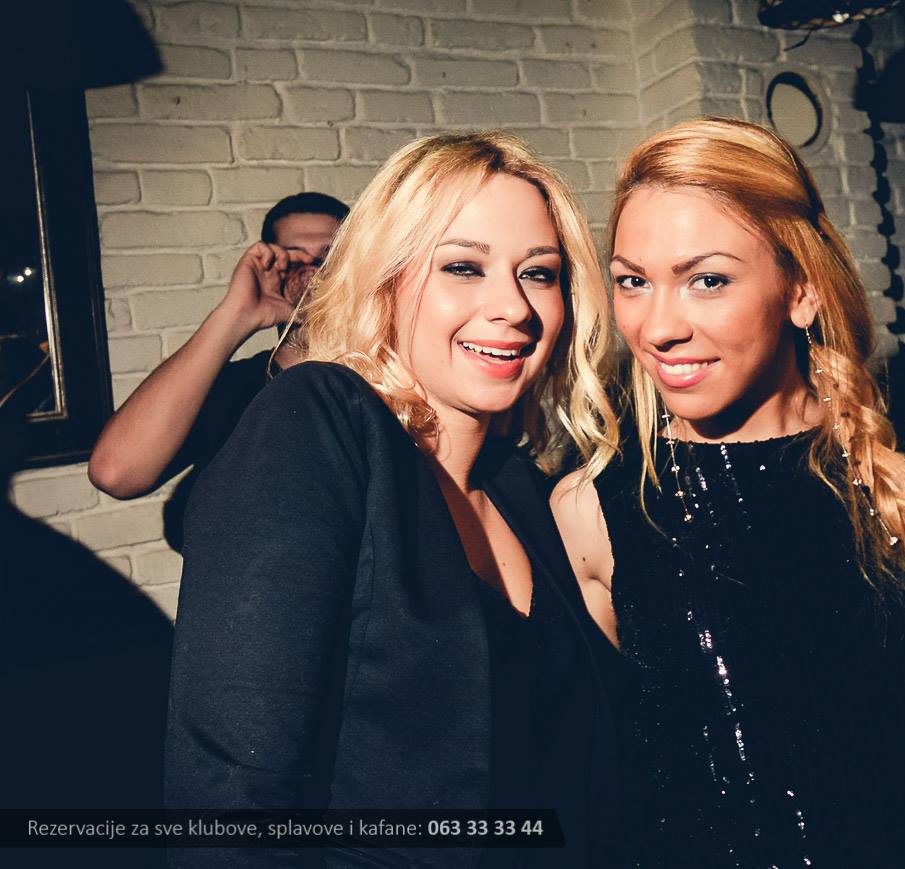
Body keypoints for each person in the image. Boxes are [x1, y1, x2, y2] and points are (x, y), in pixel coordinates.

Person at [551, 118, 905, 868]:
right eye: (633, 280)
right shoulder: (592, 509)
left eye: (707, 279)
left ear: (802, 290)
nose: (657, 326)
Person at [165, 132, 621, 868]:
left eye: (538, 273)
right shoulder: (318, 420)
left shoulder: (526, 488)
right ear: (386, 281)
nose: (512, 306)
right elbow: (234, 801)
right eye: (463, 266)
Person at [87, 192, 348, 503]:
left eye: (331, 258)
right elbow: (115, 473)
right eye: (295, 259)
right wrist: (237, 314)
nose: (315, 274)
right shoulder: (239, 389)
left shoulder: (391, 378)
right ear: (273, 267)